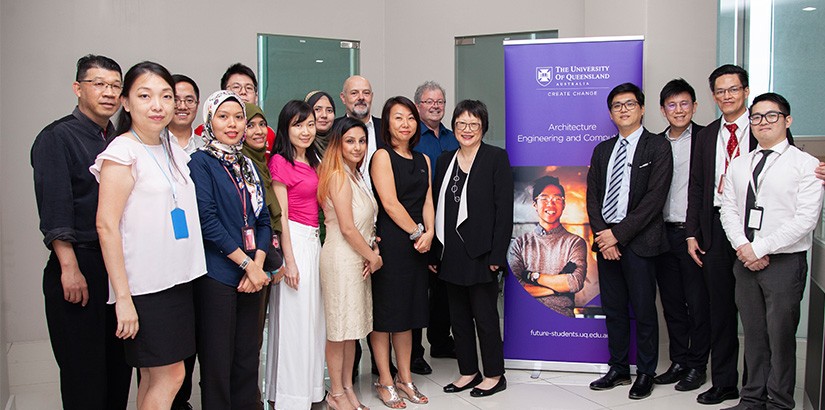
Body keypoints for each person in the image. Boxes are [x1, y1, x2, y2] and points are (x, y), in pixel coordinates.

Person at [92, 61, 207, 410]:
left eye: (165, 96)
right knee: (171, 376)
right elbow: (106, 226)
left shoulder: (170, 144)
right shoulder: (121, 153)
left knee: (156, 376)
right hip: (146, 287)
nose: (157, 105)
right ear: (126, 102)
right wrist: (123, 298)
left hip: (177, 279)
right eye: (145, 95)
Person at [30, 54, 132, 410]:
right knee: (83, 374)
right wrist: (68, 267)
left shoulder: (119, 141)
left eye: (115, 86)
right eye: (99, 84)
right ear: (78, 88)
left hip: (115, 266)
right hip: (80, 264)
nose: (108, 93)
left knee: (118, 369)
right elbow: (56, 206)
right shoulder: (57, 137)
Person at [719, 92, 822, 410]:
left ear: (787, 120)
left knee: (780, 337)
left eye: (771, 116)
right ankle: (751, 398)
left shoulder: (806, 165)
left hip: (784, 262)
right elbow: (728, 208)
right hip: (745, 260)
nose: (763, 122)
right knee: (753, 334)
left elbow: (805, 219)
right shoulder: (740, 163)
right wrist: (743, 247)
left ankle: (778, 402)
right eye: (757, 117)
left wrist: (759, 247)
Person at [586, 83, 672, 400]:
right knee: (614, 309)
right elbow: (593, 197)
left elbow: (654, 200)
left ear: (642, 108)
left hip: (640, 243)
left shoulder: (657, 147)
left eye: (630, 104)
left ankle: (645, 372)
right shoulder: (602, 150)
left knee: (645, 310)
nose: (623, 109)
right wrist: (604, 237)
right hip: (607, 244)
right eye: (617, 106)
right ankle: (619, 368)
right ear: (611, 113)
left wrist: (618, 235)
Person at [189, 90, 272, 410]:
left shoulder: (248, 164)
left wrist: (259, 262)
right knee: (218, 360)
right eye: (223, 117)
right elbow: (207, 221)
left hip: (254, 272)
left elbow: (263, 218)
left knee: (247, 356)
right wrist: (246, 264)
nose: (233, 124)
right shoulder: (200, 163)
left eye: (239, 117)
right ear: (210, 121)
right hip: (219, 275)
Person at [432, 99, 513, 397]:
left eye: (474, 125)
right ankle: (469, 371)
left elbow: (504, 211)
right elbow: (437, 208)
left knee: (486, 317)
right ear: (454, 127)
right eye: (461, 124)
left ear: (483, 128)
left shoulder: (495, 158)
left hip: (482, 254)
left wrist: (497, 255)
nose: (467, 130)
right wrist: (435, 252)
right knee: (459, 319)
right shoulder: (444, 161)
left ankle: (494, 374)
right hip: (450, 251)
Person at [685, 64, 754, 405]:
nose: (727, 96)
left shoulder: (761, 128)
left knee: (754, 311)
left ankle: (757, 387)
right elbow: (696, 187)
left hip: (754, 228)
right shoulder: (708, 134)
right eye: (721, 91)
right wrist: (692, 232)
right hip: (713, 227)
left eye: (733, 89)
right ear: (713, 96)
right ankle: (725, 382)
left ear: (746, 91)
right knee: (721, 310)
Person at [369, 96, 433, 408]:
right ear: (387, 123)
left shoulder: (423, 160)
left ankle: (405, 378)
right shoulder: (382, 156)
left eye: (410, 117)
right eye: (398, 118)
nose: (405, 124)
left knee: (407, 316)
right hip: (393, 243)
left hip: (418, 245)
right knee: (385, 316)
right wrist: (417, 231)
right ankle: (384, 379)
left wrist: (430, 233)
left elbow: (428, 201)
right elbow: (390, 203)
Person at [265, 100, 326, 409]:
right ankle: (290, 395)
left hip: (314, 243)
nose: (306, 131)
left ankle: (312, 390)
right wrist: (289, 261)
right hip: (295, 244)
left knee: (313, 322)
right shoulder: (279, 162)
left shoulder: (315, 160)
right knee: (294, 323)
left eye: (310, 124)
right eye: (298, 125)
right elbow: (281, 219)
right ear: (286, 128)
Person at [317, 117, 381, 410]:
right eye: (350, 141)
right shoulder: (338, 176)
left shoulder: (355, 174)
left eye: (362, 141)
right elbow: (346, 227)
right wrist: (373, 257)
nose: (358, 147)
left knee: (350, 332)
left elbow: (363, 222)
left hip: (358, 258)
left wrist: (373, 245)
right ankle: (337, 393)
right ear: (338, 145)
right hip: (342, 259)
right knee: (339, 331)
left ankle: (346, 388)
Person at [653, 79, 711, 392]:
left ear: (695, 106)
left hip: (695, 235)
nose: (679, 110)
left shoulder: (706, 138)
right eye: (672, 105)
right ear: (663, 111)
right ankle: (679, 360)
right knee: (672, 303)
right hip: (661, 235)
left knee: (698, 302)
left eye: (685, 103)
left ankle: (697, 365)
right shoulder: (656, 143)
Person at [410, 81, 459, 375]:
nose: (436, 106)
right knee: (419, 291)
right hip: (421, 224)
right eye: (429, 102)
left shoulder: (455, 138)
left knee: (445, 288)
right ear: (418, 106)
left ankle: (441, 341)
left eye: (440, 101)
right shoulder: (412, 138)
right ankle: (415, 353)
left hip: (452, 226)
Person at [240, 102, 285, 406]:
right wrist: (270, 261)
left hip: (265, 258)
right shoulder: (243, 163)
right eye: (250, 125)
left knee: (253, 339)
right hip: (251, 260)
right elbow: (256, 218)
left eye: (261, 125)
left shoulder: (262, 163)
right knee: (247, 339)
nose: (258, 131)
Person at [508, 175, 587, 317]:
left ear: (564, 205)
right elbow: (515, 288)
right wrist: (557, 288)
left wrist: (531, 276)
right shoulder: (519, 243)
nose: (550, 204)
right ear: (535, 205)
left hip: (562, 317)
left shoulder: (575, 242)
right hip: (526, 316)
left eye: (557, 199)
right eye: (544, 199)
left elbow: (575, 283)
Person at [195, 63, 277, 157]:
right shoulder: (204, 131)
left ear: (256, 97)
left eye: (249, 88)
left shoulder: (266, 132)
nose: (243, 92)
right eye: (236, 87)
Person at [169, 74, 204, 154]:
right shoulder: (152, 143)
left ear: (197, 104)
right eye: (175, 100)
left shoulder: (206, 147)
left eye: (189, 100)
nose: (182, 107)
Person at [306, 90, 337, 155]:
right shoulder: (300, 145)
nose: (324, 115)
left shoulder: (340, 142)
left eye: (329, 110)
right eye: (317, 109)